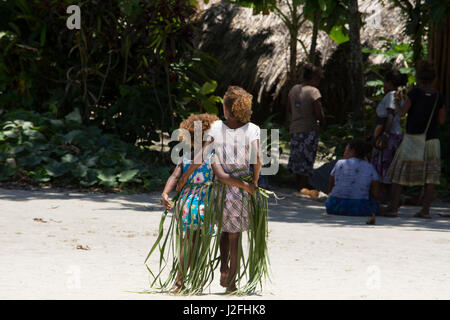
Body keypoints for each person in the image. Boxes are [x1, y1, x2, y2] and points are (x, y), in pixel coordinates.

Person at [158, 113, 255, 293]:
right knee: (201, 243)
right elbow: (221, 176)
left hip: (186, 204)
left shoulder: (186, 155)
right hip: (205, 204)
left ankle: (181, 282)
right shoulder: (212, 156)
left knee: (188, 242)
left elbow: (174, 176)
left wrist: (165, 193)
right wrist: (247, 186)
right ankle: (193, 282)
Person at [207, 85, 263, 293]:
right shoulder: (253, 129)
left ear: (226, 109)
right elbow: (257, 158)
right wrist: (254, 183)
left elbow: (205, 154)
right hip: (241, 188)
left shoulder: (215, 128)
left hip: (221, 187)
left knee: (224, 229)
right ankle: (231, 282)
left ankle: (223, 267)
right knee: (235, 236)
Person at [384, 61, 446, 218]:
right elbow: (441, 120)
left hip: (412, 139)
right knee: (430, 178)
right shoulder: (439, 97)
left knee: (399, 174)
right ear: (434, 79)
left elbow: (402, 113)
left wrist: (397, 103)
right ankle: (425, 211)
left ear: (418, 78)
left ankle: (393, 208)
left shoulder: (414, 94)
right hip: (431, 140)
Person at [370, 69, 408, 202]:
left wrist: (385, 134)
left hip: (389, 135)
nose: (383, 85)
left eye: (385, 82)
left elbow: (390, 115)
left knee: (384, 165)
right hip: (393, 134)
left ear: (390, 83)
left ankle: (384, 196)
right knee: (387, 165)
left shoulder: (391, 95)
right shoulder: (398, 95)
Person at [287, 63, 325, 190]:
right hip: (309, 129)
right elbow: (318, 112)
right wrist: (322, 122)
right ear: (314, 77)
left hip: (295, 128)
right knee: (307, 158)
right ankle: (303, 186)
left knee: (297, 156)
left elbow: (289, 108)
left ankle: (298, 183)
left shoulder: (293, 89)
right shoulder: (314, 91)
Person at [326, 138, 380, 223]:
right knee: (375, 205)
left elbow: (331, 187)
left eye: (346, 150)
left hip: (334, 206)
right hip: (359, 208)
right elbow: (375, 194)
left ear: (352, 151)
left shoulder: (339, 163)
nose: (344, 153)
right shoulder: (370, 167)